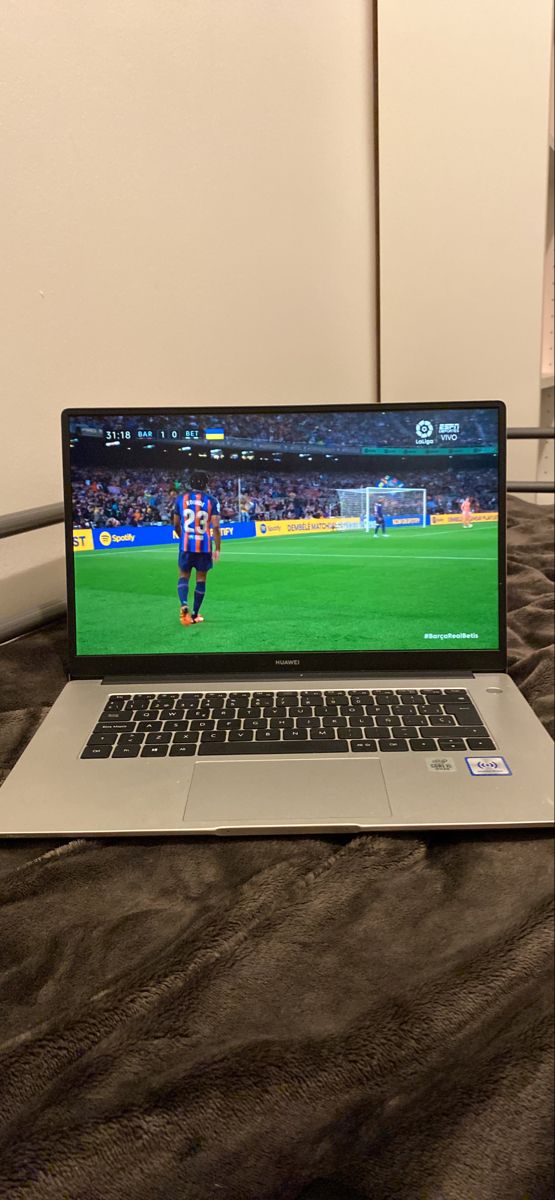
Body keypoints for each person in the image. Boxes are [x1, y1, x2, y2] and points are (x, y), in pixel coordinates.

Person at [173, 470, 221, 626]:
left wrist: (183, 538)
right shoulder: (212, 501)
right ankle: (194, 615)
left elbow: (175, 525)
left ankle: (184, 604)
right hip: (204, 546)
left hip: (186, 545)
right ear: (206, 484)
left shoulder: (181, 499)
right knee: (201, 579)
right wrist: (218, 548)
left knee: (183, 576)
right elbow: (216, 527)